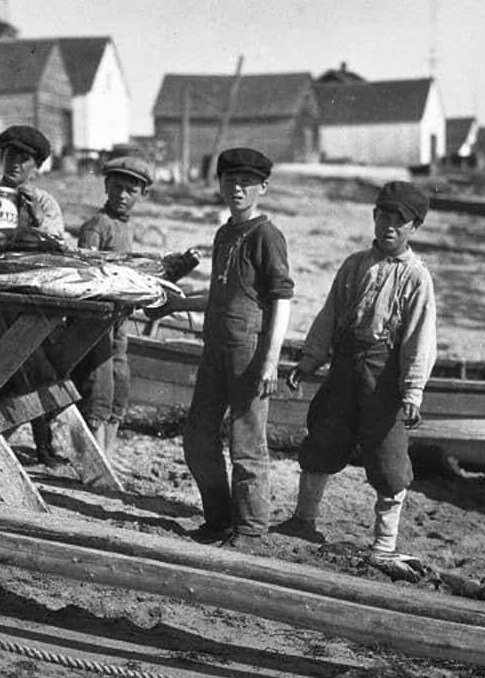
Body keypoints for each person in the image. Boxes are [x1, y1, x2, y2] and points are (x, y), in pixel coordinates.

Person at [281, 181, 438, 559]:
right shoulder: (353, 265)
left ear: (413, 228)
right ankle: (303, 521)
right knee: (322, 438)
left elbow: (420, 339)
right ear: (374, 216)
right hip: (344, 368)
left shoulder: (417, 278)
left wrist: (413, 391)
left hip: (384, 377)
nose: (389, 225)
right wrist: (309, 359)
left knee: (389, 458)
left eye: (399, 220)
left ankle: (384, 543)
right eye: (383, 215)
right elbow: (329, 317)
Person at [150, 147, 294, 544]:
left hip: (249, 353)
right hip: (215, 349)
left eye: (247, 182)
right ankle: (220, 517)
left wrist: (271, 360)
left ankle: (249, 529)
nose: (237, 188)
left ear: (262, 187)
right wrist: (177, 303)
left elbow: (281, 298)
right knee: (198, 438)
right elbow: (222, 295)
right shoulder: (225, 233)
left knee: (246, 443)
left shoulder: (267, 235)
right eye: (230, 180)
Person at [72, 154, 192, 455]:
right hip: (97, 322)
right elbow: (86, 274)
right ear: (106, 186)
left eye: (131, 190)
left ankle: (107, 456)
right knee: (99, 389)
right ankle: (92, 460)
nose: (123, 195)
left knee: (119, 388)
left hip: (119, 323)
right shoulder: (97, 225)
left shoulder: (125, 227)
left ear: (143, 194)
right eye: (117, 187)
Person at [0, 123, 66, 241]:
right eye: (10, 156)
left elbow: (58, 239)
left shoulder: (43, 201)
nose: (15, 164)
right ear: (2, 158)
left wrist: (39, 217)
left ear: (37, 167)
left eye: (23, 159)